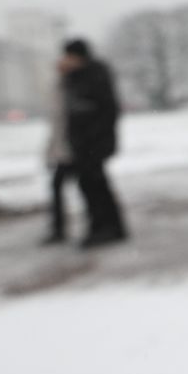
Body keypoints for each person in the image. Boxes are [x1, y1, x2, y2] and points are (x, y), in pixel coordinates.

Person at [60, 37, 128, 248]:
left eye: (68, 56)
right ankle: (106, 228)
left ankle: (106, 228)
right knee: (92, 186)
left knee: (95, 186)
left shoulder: (92, 74)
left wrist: (95, 138)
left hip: (92, 144)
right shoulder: (79, 75)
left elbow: (106, 109)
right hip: (84, 143)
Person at [41, 53, 75, 244]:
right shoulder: (60, 87)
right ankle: (58, 228)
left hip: (74, 149)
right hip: (64, 149)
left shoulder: (71, 86)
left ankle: (59, 229)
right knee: (57, 187)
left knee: (90, 189)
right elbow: (55, 125)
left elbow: (63, 122)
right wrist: (50, 152)